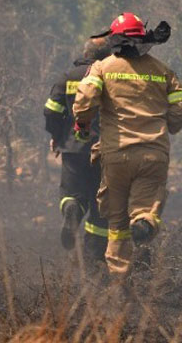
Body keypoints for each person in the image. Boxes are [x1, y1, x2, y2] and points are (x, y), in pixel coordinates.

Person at [73, 12, 182, 277]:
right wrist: (168, 125)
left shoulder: (102, 67)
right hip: (153, 153)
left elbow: (84, 102)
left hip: (116, 155)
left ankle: (119, 282)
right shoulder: (164, 71)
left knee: (116, 222)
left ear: (114, 39)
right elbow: (181, 109)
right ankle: (144, 222)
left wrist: (82, 123)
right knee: (146, 206)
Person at [43, 37, 112, 262]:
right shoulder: (109, 77)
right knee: (99, 202)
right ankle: (94, 254)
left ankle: (72, 208)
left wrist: (57, 136)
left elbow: (52, 110)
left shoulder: (68, 77)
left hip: (73, 147)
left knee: (72, 192)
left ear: (85, 54)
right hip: (104, 149)